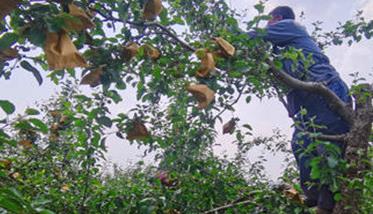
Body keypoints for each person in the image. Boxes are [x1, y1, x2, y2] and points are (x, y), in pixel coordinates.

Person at [248, 6, 351, 214]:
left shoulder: (290, 26)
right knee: (301, 144)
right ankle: (313, 196)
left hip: (325, 90)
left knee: (327, 148)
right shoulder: (281, 48)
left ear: (276, 18)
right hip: (306, 103)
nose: (268, 25)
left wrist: (222, 37)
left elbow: (254, 36)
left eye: (269, 20)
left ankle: (326, 205)